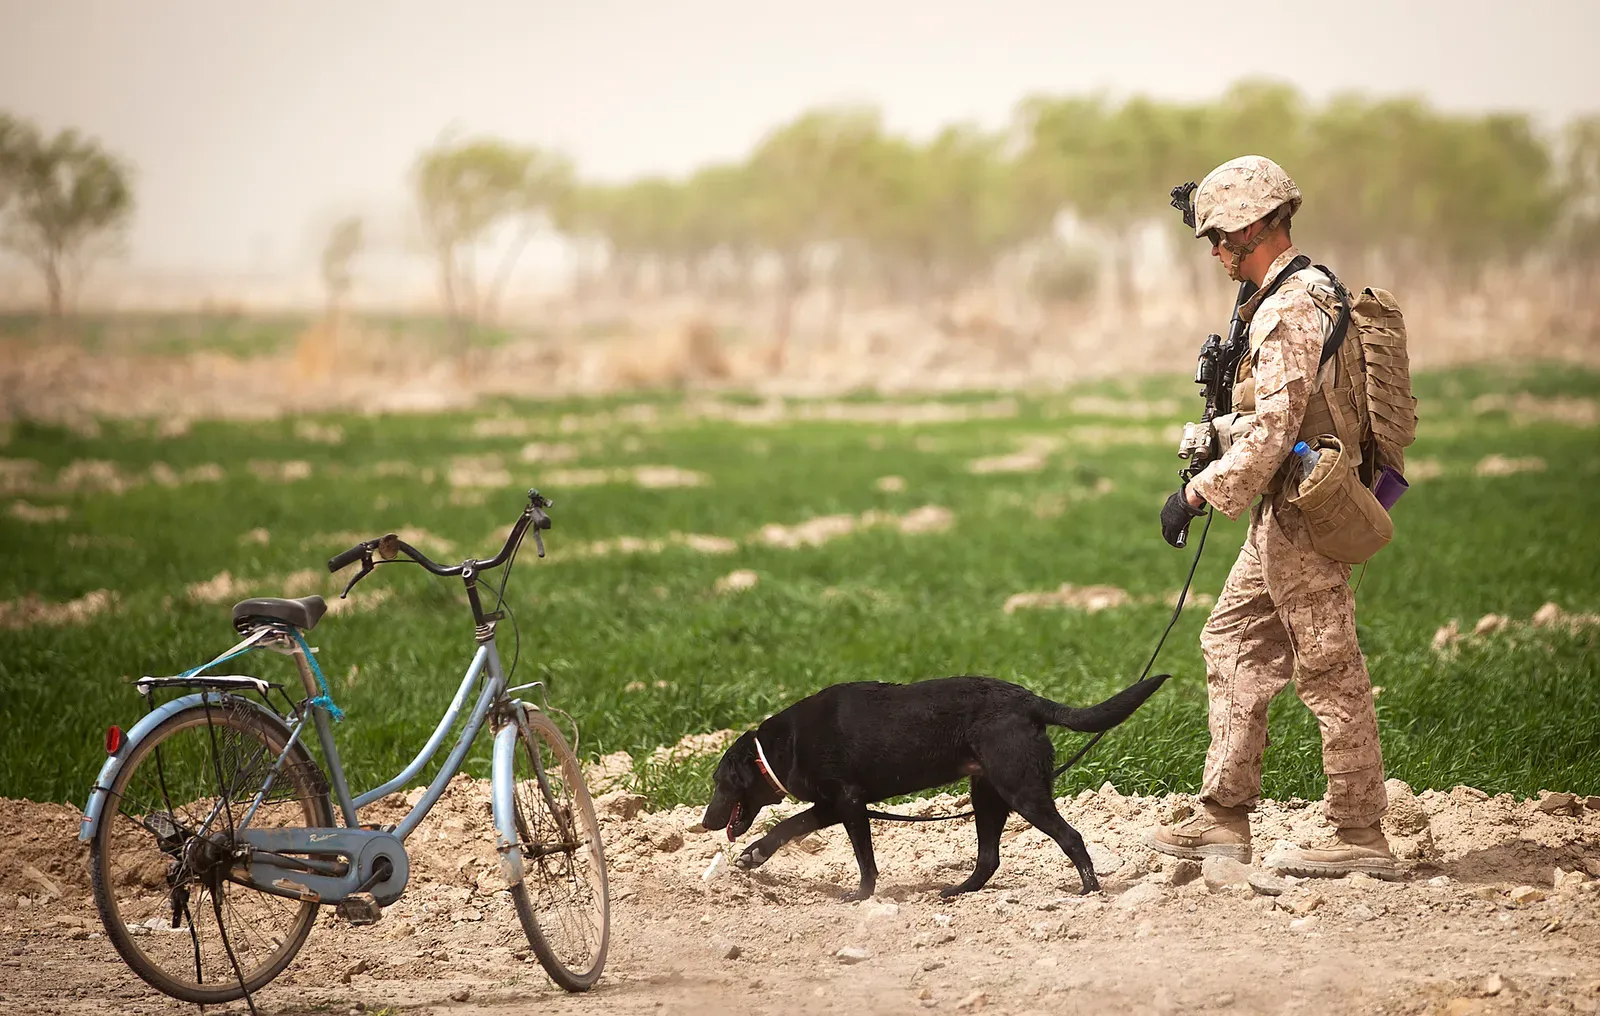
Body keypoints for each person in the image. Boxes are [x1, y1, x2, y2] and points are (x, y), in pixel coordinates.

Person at [1146, 155, 1395, 879]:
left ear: (1255, 226)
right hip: (1283, 510)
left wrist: (1195, 495)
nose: (1217, 253)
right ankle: (1222, 817)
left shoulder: (1291, 305)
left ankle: (1359, 833)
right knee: (1231, 642)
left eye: (1220, 237)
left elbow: (1273, 427)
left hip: (1305, 513)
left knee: (1328, 667)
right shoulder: (1276, 294)